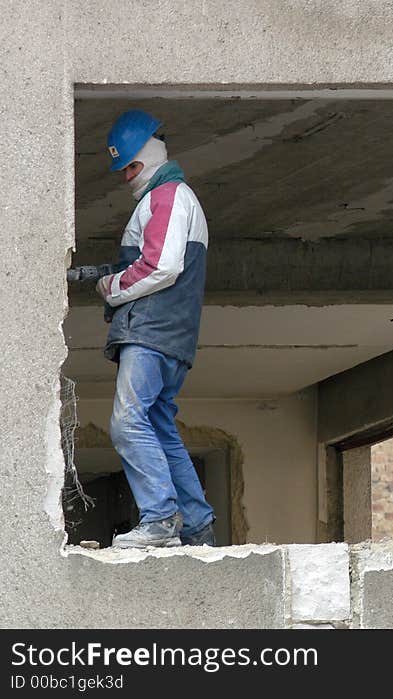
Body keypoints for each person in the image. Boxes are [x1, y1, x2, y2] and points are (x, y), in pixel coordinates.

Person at [98, 109, 215, 548]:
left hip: (151, 334)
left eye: (130, 166)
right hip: (172, 337)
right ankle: (198, 526)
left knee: (128, 423)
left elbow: (161, 267)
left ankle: (161, 521)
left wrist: (112, 286)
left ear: (147, 157)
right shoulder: (175, 198)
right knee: (159, 427)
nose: (126, 176)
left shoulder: (165, 196)